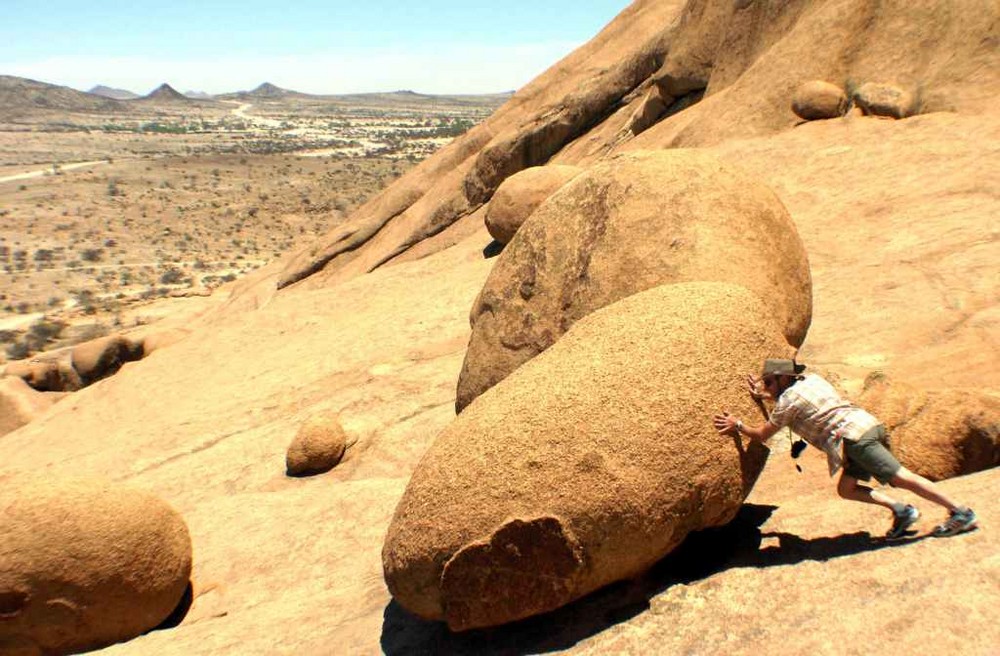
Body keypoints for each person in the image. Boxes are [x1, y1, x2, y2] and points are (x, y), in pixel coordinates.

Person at [713, 358, 978, 539]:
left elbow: (761, 435)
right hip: (869, 426)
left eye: (769, 382)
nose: (766, 387)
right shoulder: (811, 380)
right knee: (846, 489)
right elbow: (794, 400)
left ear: (783, 379)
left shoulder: (787, 402)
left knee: (901, 477)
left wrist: (738, 424)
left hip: (855, 439)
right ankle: (902, 511)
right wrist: (764, 393)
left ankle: (960, 512)